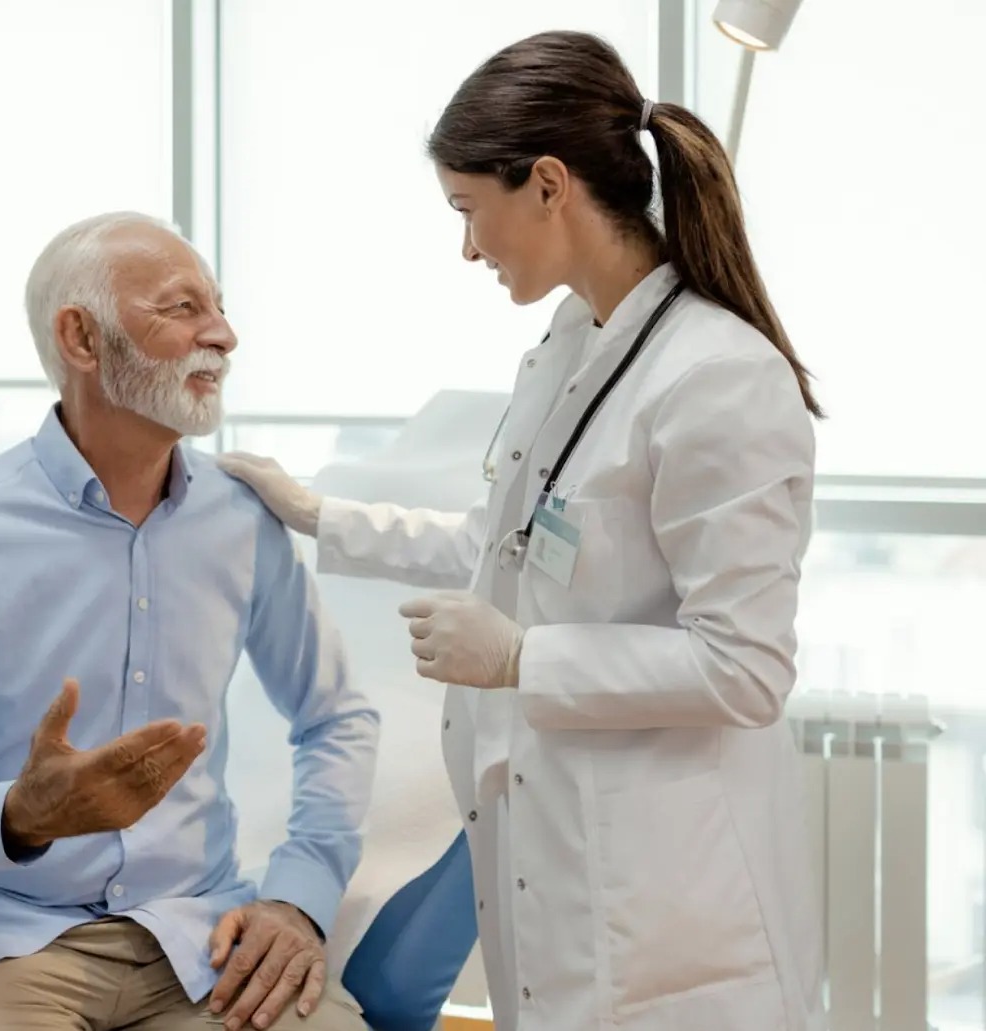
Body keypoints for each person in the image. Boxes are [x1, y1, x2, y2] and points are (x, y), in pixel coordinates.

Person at [220, 31, 825, 1031]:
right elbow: (502, 545)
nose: (468, 248)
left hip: (669, 894)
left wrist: (519, 657)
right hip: (557, 850)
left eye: (468, 210)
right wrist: (320, 515)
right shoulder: (571, 347)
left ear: (547, 184)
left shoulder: (717, 376)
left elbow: (745, 665)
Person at [0, 211, 379, 1031]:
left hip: (200, 941)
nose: (223, 335)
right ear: (81, 338)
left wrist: (298, 898)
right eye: (182, 307)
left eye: (219, 306)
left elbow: (337, 716)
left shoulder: (244, 520)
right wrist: (17, 815)